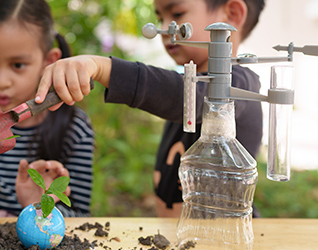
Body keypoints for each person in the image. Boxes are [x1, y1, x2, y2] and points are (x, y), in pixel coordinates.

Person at [35, 0, 265, 217]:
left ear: (232, 13)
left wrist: (105, 68)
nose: (165, 29)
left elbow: (190, 97)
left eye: (177, 14)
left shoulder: (240, 82)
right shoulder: (187, 87)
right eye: (160, 18)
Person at [0, 0, 95, 217]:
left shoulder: (74, 129)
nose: (1, 81)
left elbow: (80, 215)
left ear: (48, 62)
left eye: (18, 65)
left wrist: (37, 208)